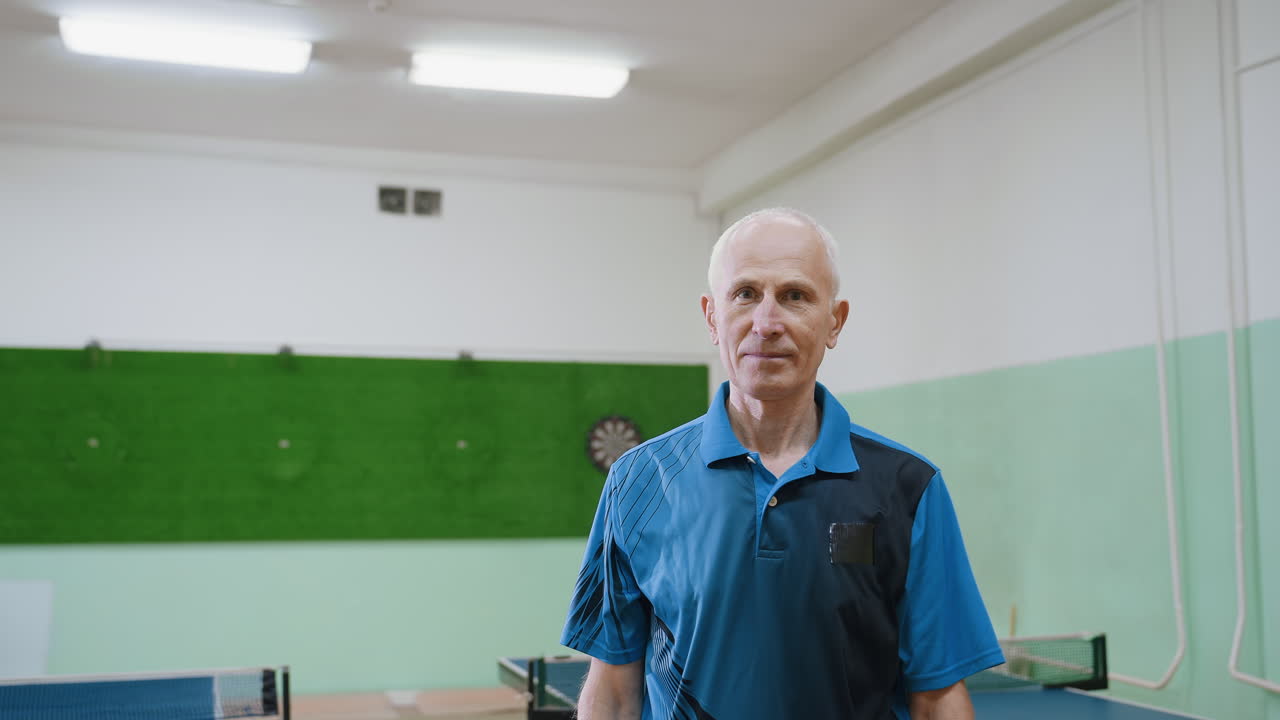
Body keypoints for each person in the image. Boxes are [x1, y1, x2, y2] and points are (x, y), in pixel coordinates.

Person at [561, 208, 1003, 719]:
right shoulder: (637, 482)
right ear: (712, 317)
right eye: (745, 293)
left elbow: (937, 699)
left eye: (794, 296)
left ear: (834, 322)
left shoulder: (908, 487)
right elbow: (614, 693)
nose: (766, 323)